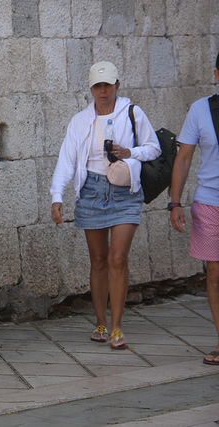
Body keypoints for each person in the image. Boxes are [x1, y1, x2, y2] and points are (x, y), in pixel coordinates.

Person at [50, 62, 161, 349]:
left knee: (118, 258)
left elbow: (154, 148)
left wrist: (130, 152)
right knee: (98, 260)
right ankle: (100, 322)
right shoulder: (80, 120)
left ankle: (117, 327)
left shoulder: (132, 112)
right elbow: (67, 159)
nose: (103, 91)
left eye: (107, 85)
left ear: (117, 85)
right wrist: (57, 196)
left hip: (124, 191)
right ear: (90, 88)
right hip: (91, 191)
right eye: (97, 86)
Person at [169, 52, 219, 365]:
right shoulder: (201, 109)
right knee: (214, 274)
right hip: (210, 202)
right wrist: (175, 202)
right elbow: (184, 157)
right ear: (216, 74)